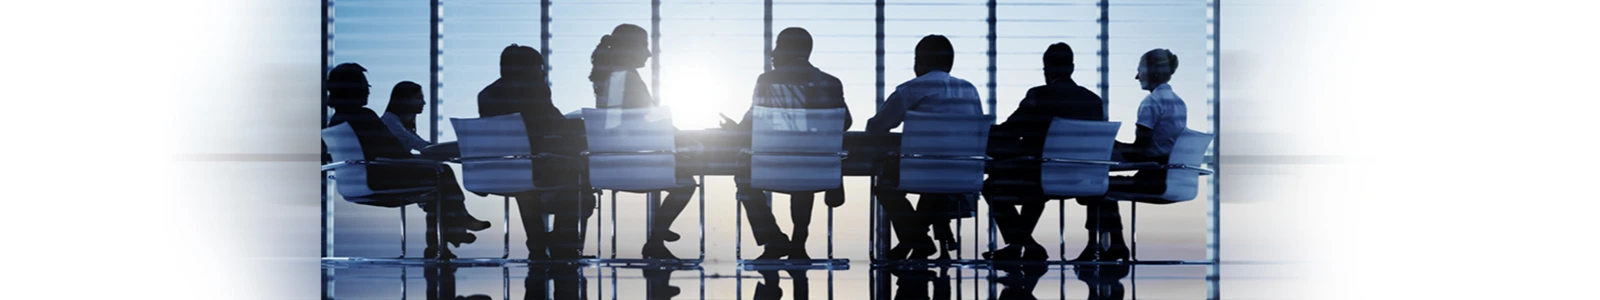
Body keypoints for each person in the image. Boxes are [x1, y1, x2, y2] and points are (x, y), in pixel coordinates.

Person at [323, 63, 487, 260]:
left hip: (355, 183)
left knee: (437, 184)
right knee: (442, 172)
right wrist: (423, 161)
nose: (367, 90)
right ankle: (458, 224)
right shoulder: (364, 116)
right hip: (380, 178)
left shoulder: (336, 121)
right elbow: (395, 152)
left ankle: (443, 241)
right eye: (365, 86)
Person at [722, 27, 852, 260]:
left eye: (778, 46)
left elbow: (752, 122)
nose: (773, 53)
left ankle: (773, 240)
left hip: (773, 164)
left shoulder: (767, 81)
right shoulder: (832, 83)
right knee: (804, 171)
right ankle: (798, 242)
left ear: (788, 50)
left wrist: (735, 129)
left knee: (743, 176)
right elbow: (846, 121)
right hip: (817, 169)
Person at [981, 42, 1106, 261]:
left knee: (991, 185)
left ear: (1046, 69)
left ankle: (1022, 242)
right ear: (1072, 67)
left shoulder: (1039, 95)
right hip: (1082, 179)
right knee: (1036, 181)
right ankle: (1021, 245)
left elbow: (1009, 131)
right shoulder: (1093, 101)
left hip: (1040, 176)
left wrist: (983, 132)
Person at [865, 34, 984, 260]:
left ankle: (917, 240)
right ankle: (916, 241)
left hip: (922, 170)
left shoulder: (911, 89)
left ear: (920, 61)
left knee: (886, 185)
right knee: (935, 185)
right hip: (964, 173)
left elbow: (878, 126)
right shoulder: (970, 91)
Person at [588, 24, 701, 259]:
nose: (649, 54)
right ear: (630, 48)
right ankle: (656, 238)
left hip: (609, 167)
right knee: (686, 182)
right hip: (636, 165)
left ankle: (659, 234)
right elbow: (649, 119)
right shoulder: (627, 78)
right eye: (644, 46)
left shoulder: (605, 78)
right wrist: (687, 138)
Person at [476, 44, 595, 260]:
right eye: (540, 66)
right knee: (577, 171)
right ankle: (563, 238)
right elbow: (552, 123)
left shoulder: (486, 94)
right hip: (538, 166)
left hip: (500, 169)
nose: (543, 71)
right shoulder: (534, 89)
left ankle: (537, 241)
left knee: (527, 176)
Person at [1089, 48, 1187, 262]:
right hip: (1171, 177)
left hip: (1153, 179)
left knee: (1098, 187)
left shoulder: (1151, 103)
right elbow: (1153, 147)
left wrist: (1110, 146)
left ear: (1152, 71)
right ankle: (1111, 247)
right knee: (1102, 186)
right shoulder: (1179, 102)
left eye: (1139, 70)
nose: (1136, 76)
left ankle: (1111, 247)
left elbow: (1140, 153)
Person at [379, 81, 433, 152]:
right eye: (419, 98)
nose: (424, 102)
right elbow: (412, 141)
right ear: (405, 99)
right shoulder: (389, 119)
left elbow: (418, 142)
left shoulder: (405, 125)